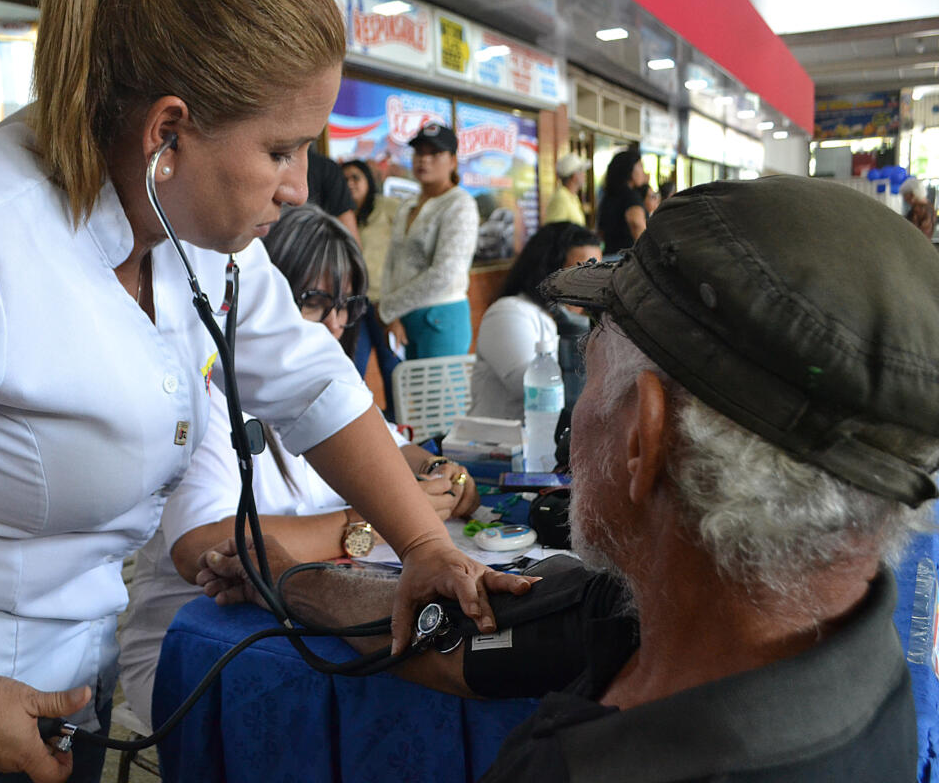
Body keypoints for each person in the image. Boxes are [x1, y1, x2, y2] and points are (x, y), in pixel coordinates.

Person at [0, 0, 526, 782]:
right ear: (167, 133)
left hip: (72, 686)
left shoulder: (199, 230)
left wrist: (424, 547)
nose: (297, 189)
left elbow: (311, 382)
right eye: (281, 151)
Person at [199, 175, 938, 781]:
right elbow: (455, 638)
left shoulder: (583, 765)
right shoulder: (717, 619)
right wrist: (290, 579)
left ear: (643, 439)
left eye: (589, 370)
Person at [117, 205, 478, 731]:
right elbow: (205, 548)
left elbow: (398, 450)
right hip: (196, 647)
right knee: (391, 700)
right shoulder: (207, 394)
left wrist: (445, 474)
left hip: (290, 624)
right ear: (263, 301)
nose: (335, 323)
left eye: (347, 306)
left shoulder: (330, 387)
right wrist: (369, 523)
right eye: (314, 301)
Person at [467, 222, 600, 433]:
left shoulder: (582, 320)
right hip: (499, 443)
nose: (590, 282)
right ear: (548, 269)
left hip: (550, 442)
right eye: (580, 271)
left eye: (597, 271)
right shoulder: (510, 312)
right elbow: (535, 392)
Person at [379, 123, 479, 360]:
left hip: (441, 318)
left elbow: (445, 273)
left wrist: (389, 308)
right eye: (419, 152)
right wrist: (391, 314)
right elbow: (392, 260)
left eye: (434, 153)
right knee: (407, 384)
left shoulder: (460, 204)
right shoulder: (408, 205)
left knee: (441, 386)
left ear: (452, 161)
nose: (424, 160)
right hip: (404, 317)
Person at [342, 159, 402, 415]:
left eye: (356, 177)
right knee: (353, 367)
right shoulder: (338, 213)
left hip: (385, 304)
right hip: (354, 304)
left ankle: (398, 423)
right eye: (344, 179)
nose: (350, 183)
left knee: (392, 367)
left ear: (368, 180)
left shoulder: (387, 208)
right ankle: (360, 421)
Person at [596, 149, 648, 256]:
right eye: (640, 166)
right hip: (627, 259)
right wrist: (648, 253)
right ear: (630, 170)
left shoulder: (608, 196)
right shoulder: (631, 196)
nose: (644, 172)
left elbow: (601, 232)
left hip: (609, 256)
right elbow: (636, 224)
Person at [307, 146, 360, 244]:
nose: (351, 183)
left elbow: (349, 238)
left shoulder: (326, 169)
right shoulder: (326, 168)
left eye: (355, 178)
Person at [544, 154, 589, 226]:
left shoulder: (572, 197)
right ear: (574, 176)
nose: (584, 175)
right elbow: (554, 229)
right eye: (581, 171)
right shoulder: (561, 198)